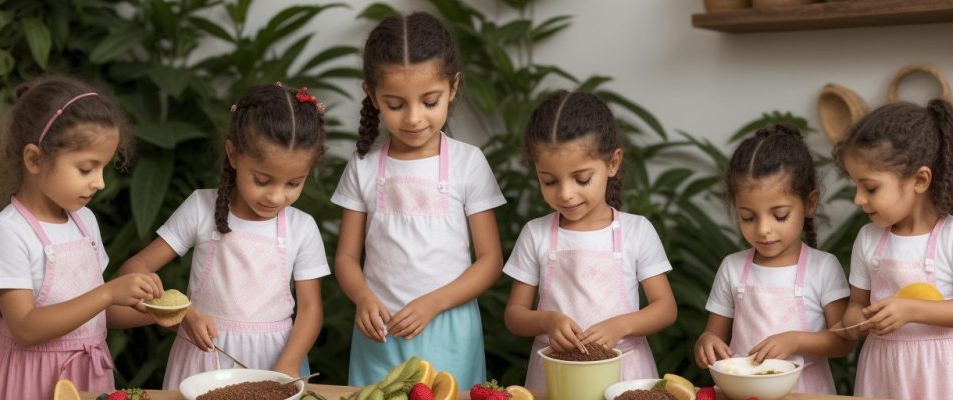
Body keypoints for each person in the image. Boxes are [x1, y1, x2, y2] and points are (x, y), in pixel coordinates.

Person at [332, 11, 506, 387]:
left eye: (430, 101)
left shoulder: (468, 163)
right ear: (372, 95)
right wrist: (362, 297)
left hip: (450, 328)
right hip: (381, 331)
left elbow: (490, 260)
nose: (413, 118)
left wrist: (434, 303)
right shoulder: (363, 166)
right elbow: (347, 257)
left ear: (453, 87)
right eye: (396, 104)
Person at [118, 84, 330, 388]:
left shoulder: (302, 227)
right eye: (262, 180)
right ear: (233, 154)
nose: (275, 196)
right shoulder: (201, 208)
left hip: (276, 362)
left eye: (293, 184)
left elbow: (310, 308)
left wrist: (289, 362)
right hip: (204, 360)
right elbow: (133, 270)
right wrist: (184, 313)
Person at [0, 75, 163, 399]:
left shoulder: (85, 223)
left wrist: (158, 313)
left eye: (104, 168)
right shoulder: (9, 232)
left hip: (88, 378)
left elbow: (96, 314)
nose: (100, 183)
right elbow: (24, 328)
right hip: (33, 382)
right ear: (34, 159)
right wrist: (107, 293)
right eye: (86, 169)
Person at [503, 90, 677, 389]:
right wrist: (547, 321)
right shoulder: (536, 234)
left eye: (581, 179)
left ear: (613, 163)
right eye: (549, 181)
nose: (565, 193)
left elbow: (665, 308)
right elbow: (515, 315)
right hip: (556, 377)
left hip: (626, 374)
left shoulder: (637, 231)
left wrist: (621, 325)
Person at [694, 124, 852, 394]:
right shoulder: (732, 267)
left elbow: (843, 343)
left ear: (810, 203)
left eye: (779, 215)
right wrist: (706, 343)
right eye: (748, 217)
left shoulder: (823, 267)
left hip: (806, 391)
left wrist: (795, 341)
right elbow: (713, 334)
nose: (763, 229)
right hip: (744, 392)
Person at [833, 99, 953, 399]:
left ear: (920, 180)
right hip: (883, 371)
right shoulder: (868, 239)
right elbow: (856, 305)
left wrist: (911, 309)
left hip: (940, 372)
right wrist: (854, 319)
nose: (858, 199)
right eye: (855, 187)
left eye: (870, 188)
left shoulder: (949, 237)